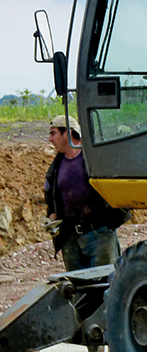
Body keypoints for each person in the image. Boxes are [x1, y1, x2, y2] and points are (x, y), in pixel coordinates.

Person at [44, 115, 127, 271]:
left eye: (53, 133)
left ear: (67, 133)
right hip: (70, 239)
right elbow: (51, 197)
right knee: (78, 289)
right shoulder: (55, 168)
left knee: (105, 283)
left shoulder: (93, 160)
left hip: (99, 235)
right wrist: (52, 215)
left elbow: (115, 184)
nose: (50, 139)